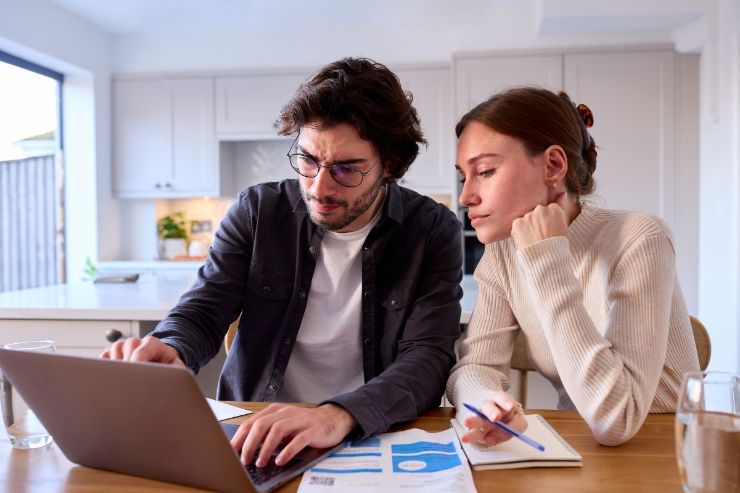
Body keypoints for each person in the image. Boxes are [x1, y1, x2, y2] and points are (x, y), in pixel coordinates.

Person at [102, 57, 463, 467]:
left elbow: (428, 358)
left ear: (391, 166)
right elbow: (205, 307)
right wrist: (172, 345)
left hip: (370, 433)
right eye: (308, 160)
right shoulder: (257, 211)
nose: (319, 187)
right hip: (255, 430)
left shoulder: (431, 230)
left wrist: (338, 414)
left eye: (347, 169)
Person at [446, 86, 699, 447]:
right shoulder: (503, 253)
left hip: (665, 449)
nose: (466, 196)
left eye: (484, 171)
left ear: (553, 165)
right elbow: (475, 366)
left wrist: (547, 255)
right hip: (581, 447)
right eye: (463, 176)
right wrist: (487, 404)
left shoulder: (639, 237)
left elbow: (617, 419)